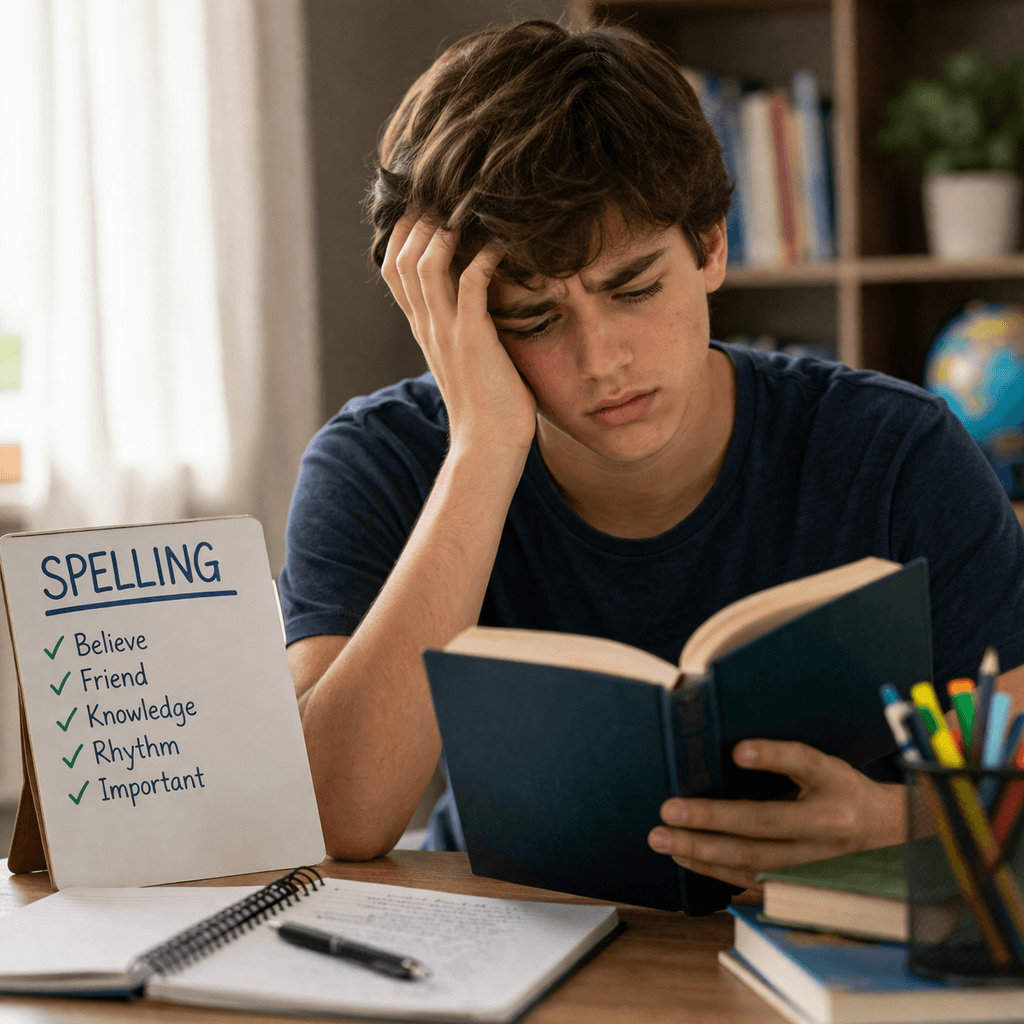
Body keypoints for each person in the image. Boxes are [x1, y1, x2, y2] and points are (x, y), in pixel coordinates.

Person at [279, 20, 1024, 892]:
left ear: (710, 244)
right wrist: (483, 448)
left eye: (633, 289)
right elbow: (334, 816)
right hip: (510, 943)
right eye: (534, 318)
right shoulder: (380, 461)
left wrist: (895, 822)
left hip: (816, 943)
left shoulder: (896, 451)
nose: (603, 361)